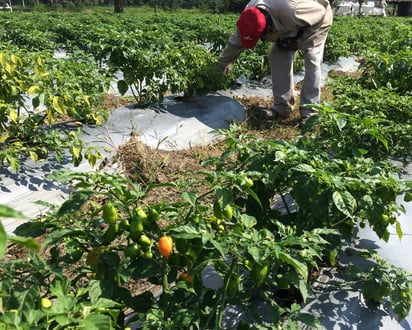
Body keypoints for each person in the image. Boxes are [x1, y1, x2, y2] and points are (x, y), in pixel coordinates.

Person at [218, 0, 333, 125]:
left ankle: (310, 113)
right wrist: (221, 66)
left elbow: (320, 12)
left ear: (268, 27)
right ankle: (282, 107)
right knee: (277, 54)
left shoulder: (293, 10)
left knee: (312, 58)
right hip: (289, 22)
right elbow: (234, 44)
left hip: (317, 20)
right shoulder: (248, 17)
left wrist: (298, 41)